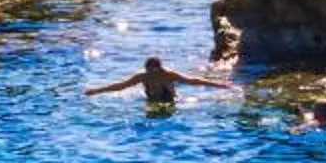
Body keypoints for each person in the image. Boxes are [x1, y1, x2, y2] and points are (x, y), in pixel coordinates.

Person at [86, 56, 238, 106]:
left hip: (169, 100)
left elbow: (193, 81)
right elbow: (121, 86)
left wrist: (220, 85)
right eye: (148, 71)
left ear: (159, 69)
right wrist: (96, 91)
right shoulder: (142, 76)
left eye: (153, 71)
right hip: (151, 100)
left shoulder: (169, 75)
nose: (151, 74)